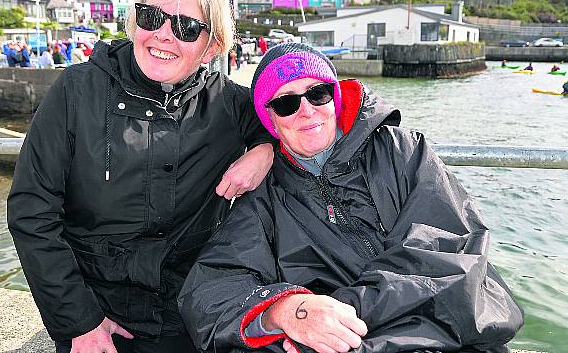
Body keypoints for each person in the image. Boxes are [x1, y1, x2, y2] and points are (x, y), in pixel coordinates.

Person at [179, 43, 524, 353]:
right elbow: (208, 290)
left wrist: (340, 315)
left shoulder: (402, 151)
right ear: (269, 120)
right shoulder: (264, 198)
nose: (306, 110)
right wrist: (282, 310)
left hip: (459, 336)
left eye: (318, 94)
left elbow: (449, 253)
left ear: (336, 96)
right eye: (286, 103)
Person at [7, 0, 274, 353]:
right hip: (97, 308)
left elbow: (309, 125)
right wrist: (80, 321)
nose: (164, 34)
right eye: (152, 17)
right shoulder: (75, 91)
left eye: (186, 27)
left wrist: (266, 150)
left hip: (189, 310)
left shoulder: (229, 104)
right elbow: (32, 211)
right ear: (134, 22)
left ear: (212, 46)